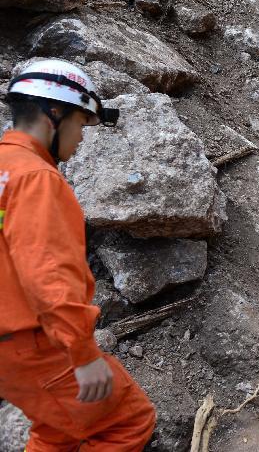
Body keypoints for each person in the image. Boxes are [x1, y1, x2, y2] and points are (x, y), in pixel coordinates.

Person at [0, 59, 156, 450]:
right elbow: (47, 272)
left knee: (59, 428)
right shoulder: (36, 177)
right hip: (33, 343)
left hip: (10, 348)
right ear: (54, 114)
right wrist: (83, 354)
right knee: (127, 421)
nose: (82, 137)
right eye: (82, 123)